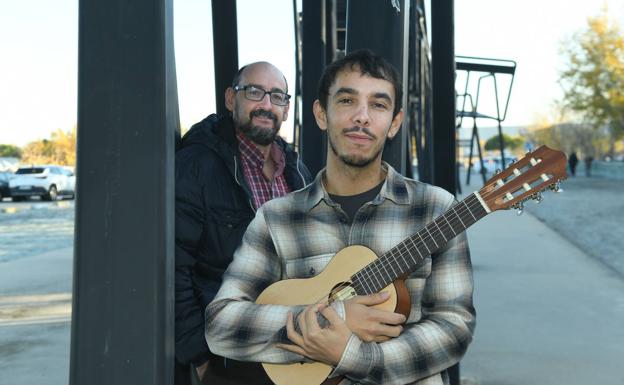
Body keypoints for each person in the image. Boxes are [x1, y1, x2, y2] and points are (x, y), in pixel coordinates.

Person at [206, 50, 475, 385]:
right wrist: (334, 318)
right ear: (321, 114)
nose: (361, 117)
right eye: (347, 100)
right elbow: (221, 325)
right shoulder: (277, 218)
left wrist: (354, 355)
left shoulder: (436, 209)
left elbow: (454, 328)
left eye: (378, 104)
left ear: (394, 122)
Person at [175, 61, 312, 384]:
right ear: (230, 98)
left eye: (277, 96)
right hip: (228, 357)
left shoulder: (297, 171)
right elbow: (175, 268)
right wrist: (200, 355)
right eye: (254, 92)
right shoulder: (198, 166)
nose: (266, 105)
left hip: (290, 347)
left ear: (287, 108)